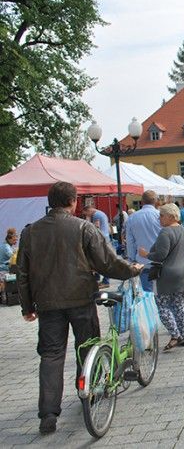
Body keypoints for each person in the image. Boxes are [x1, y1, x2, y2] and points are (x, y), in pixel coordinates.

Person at [17, 182, 142, 434]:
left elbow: (23, 273)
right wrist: (131, 270)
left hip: (48, 304)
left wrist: (27, 307)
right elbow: (107, 262)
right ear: (73, 201)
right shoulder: (83, 227)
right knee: (87, 346)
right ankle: (89, 393)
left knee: (51, 355)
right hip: (81, 299)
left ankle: (48, 414)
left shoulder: (30, 232)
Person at [139, 203, 184, 351]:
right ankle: (183, 334)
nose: (159, 219)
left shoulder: (165, 232)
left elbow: (160, 255)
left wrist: (146, 254)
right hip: (183, 271)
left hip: (167, 274)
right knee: (179, 305)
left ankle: (175, 335)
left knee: (162, 305)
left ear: (170, 216)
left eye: (161, 216)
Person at [125, 190, 161, 291]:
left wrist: (132, 259)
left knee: (148, 293)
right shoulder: (160, 216)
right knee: (161, 293)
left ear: (142, 201)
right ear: (155, 201)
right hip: (160, 260)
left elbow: (130, 242)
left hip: (142, 261)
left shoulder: (132, 217)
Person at [82, 205, 113, 288]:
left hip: (101, 239)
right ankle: (98, 278)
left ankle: (105, 281)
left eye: (86, 214)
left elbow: (96, 227)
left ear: (88, 210)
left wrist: (88, 220)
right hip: (105, 238)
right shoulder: (100, 213)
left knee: (102, 260)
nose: (86, 215)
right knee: (99, 259)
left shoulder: (96, 215)